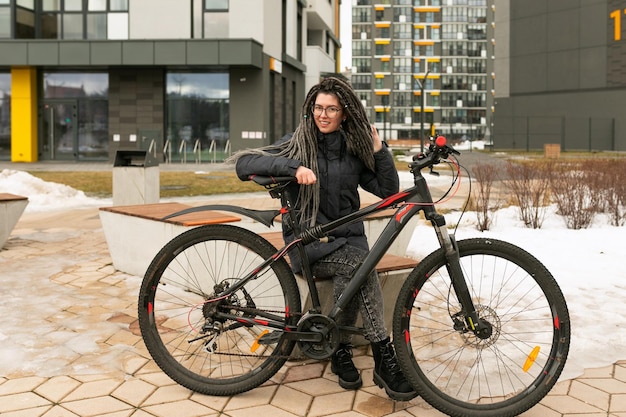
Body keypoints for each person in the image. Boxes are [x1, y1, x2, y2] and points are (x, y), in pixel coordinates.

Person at [230, 77, 417, 401]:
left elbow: (388, 192)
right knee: (360, 264)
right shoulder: (297, 143)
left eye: (331, 108)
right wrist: (293, 167)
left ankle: (339, 350)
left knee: (357, 265)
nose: (323, 114)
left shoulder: (352, 149)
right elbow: (244, 163)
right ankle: (382, 355)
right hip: (309, 245)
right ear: (310, 110)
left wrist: (379, 150)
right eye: (318, 108)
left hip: (347, 243)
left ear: (344, 113)